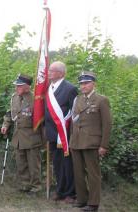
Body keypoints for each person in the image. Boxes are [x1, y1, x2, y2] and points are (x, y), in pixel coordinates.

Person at [70, 71, 112, 211]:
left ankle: (93, 203)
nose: (83, 86)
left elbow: (107, 124)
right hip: (76, 142)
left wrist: (103, 145)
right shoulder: (78, 100)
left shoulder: (101, 100)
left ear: (93, 83)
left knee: (93, 174)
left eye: (86, 83)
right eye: (81, 83)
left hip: (92, 143)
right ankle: (82, 199)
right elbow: (74, 122)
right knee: (78, 172)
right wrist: (71, 140)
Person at [1, 73, 43, 193]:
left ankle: (36, 187)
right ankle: (25, 185)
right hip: (18, 136)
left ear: (27, 86)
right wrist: (5, 125)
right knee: (21, 163)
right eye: (16, 86)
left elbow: (41, 120)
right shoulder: (14, 97)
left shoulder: (36, 99)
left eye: (19, 86)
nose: (16, 88)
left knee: (33, 164)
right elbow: (10, 114)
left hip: (32, 136)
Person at [45, 61, 78, 202]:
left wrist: (68, 131)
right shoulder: (48, 88)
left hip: (65, 134)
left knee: (68, 163)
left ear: (61, 73)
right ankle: (60, 190)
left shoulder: (70, 88)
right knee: (57, 163)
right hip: (52, 133)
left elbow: (74, 112)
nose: (49, 73)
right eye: (49, 70)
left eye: (52, 70)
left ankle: (71, 192)